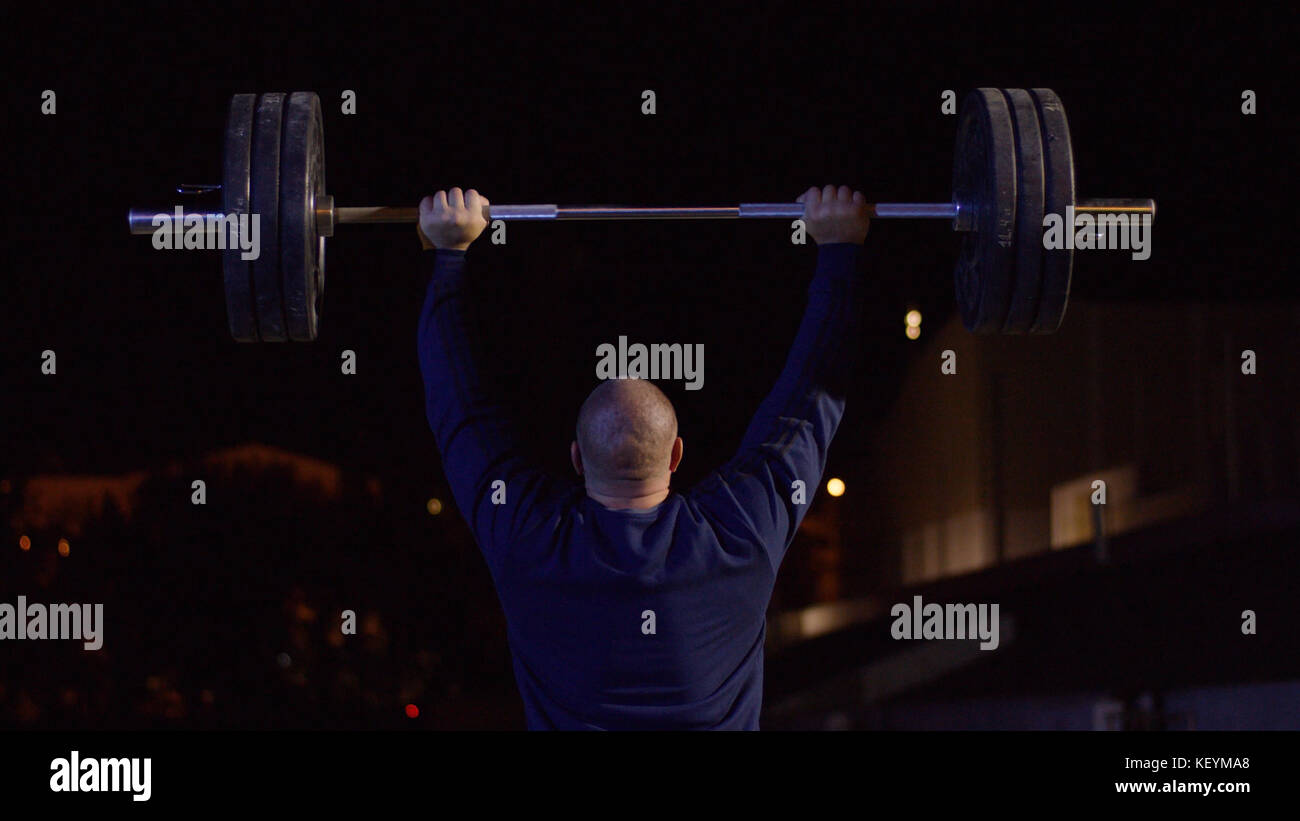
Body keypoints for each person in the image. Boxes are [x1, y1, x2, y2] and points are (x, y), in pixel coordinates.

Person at [417, 186, 868, 729]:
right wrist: (838, 249)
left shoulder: (529, 540)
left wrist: (450, 255)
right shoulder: (738, 534)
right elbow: (808, 404)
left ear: (578, 459)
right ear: (676, 453)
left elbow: (461, 410)